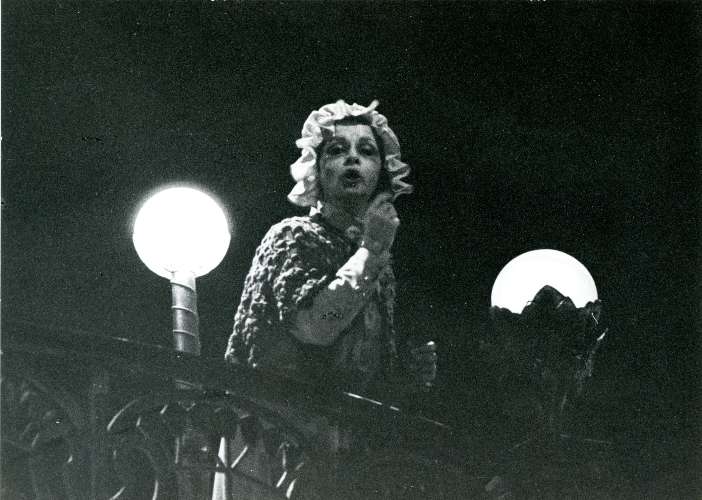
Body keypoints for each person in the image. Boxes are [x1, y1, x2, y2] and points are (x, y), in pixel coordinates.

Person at [225, 99, 437, 401]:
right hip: (274, 419)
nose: (353, 158)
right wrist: (372, 250)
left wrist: (405, 376)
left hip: (339, 426)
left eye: (367, 151)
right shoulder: (292, 235)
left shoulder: (380, 267)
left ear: (381, 171)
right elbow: (314, 328)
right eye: (337, 150)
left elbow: (358, 375)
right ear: (316, 168)